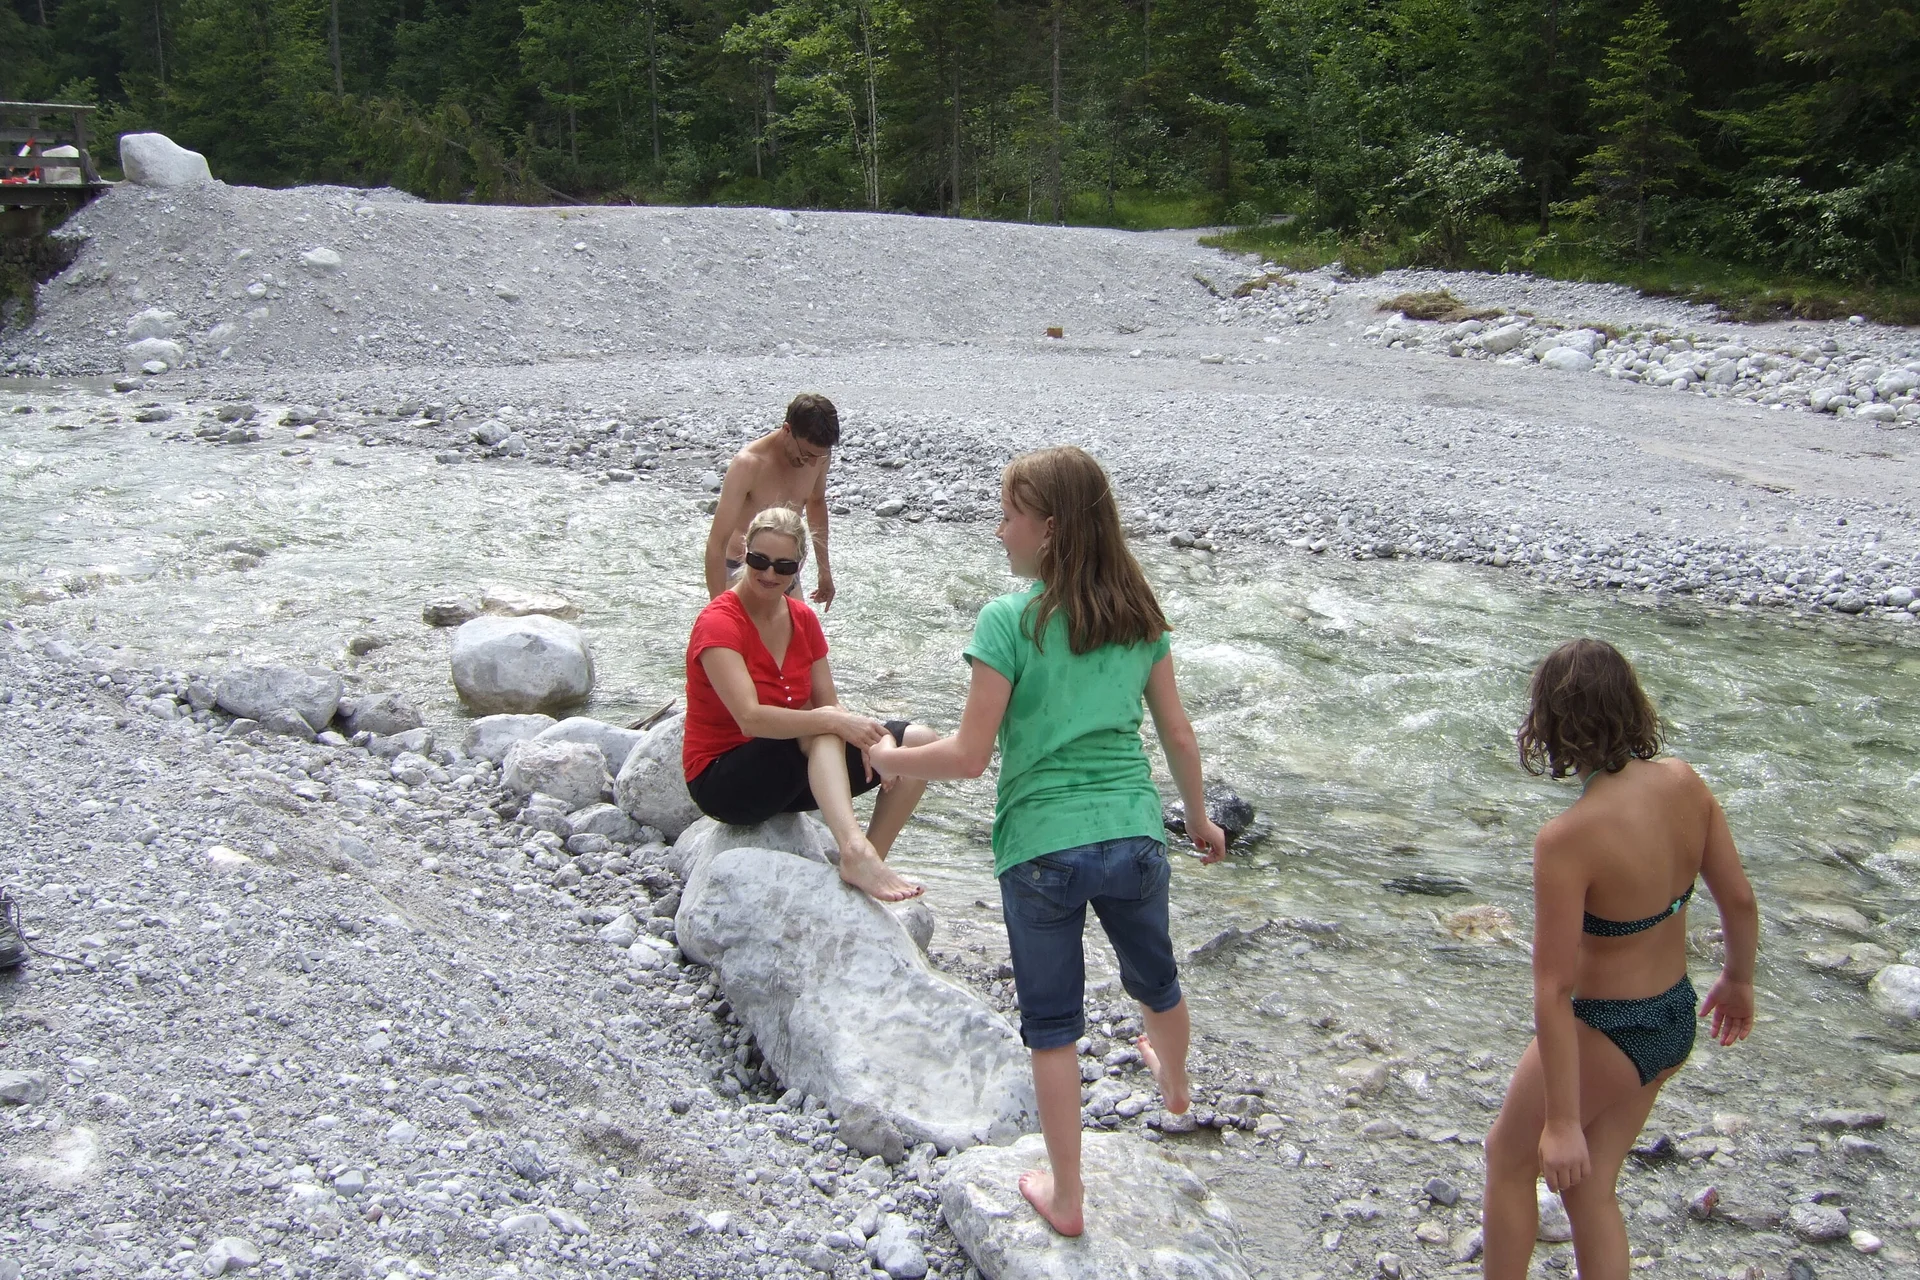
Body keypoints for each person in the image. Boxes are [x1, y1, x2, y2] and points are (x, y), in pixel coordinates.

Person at [870, 445, 1227, 1238]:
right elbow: (1177, 733)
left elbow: (967, 756)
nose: (999, 532)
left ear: (1052, 530)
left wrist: (890, 758)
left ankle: (1068, 1199)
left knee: (1053, 1026)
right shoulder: (1137, 614)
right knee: (1156, 978)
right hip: (1133, 835)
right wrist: (1197, 819)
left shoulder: (1008, 621)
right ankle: (1173, 1089)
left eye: (1009, 516)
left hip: (1040, 848)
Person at [1483, 639, 1759, 1280]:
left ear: (1548, 725)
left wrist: (1561, 1121)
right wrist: (1739, 979)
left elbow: (1554, 990)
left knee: (1507, 1159)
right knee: (1590, 1187)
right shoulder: (1686, 783)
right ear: (1633, 705)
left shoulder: (1567, 840)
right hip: (1672, 1017)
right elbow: (1739, 900)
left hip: (1607, 1026)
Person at [684, 505, 931, 903]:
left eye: (783, 567)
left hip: (791, 771)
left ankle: (868, 865)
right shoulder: (719, 622)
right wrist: (836, 723)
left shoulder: (803, 619)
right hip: (724, 779)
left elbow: (827, 704)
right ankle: (853, 850)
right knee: (823, 725)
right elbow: (749, 719)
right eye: (759, 561)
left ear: (798, 567)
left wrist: (868, 742)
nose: (769, 574)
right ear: (745, 552)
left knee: (919, 744)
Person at [704, 393, 840, 607]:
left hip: (786, 571)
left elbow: (816, 503)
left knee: (802, 637)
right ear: (787, 430)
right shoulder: (748, 465)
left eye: (819, 457)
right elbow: (716, 543)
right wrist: (716, 609)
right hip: (742, 569)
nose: (813, 464)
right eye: (806, 455)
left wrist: (825, 572)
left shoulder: (818, 455)